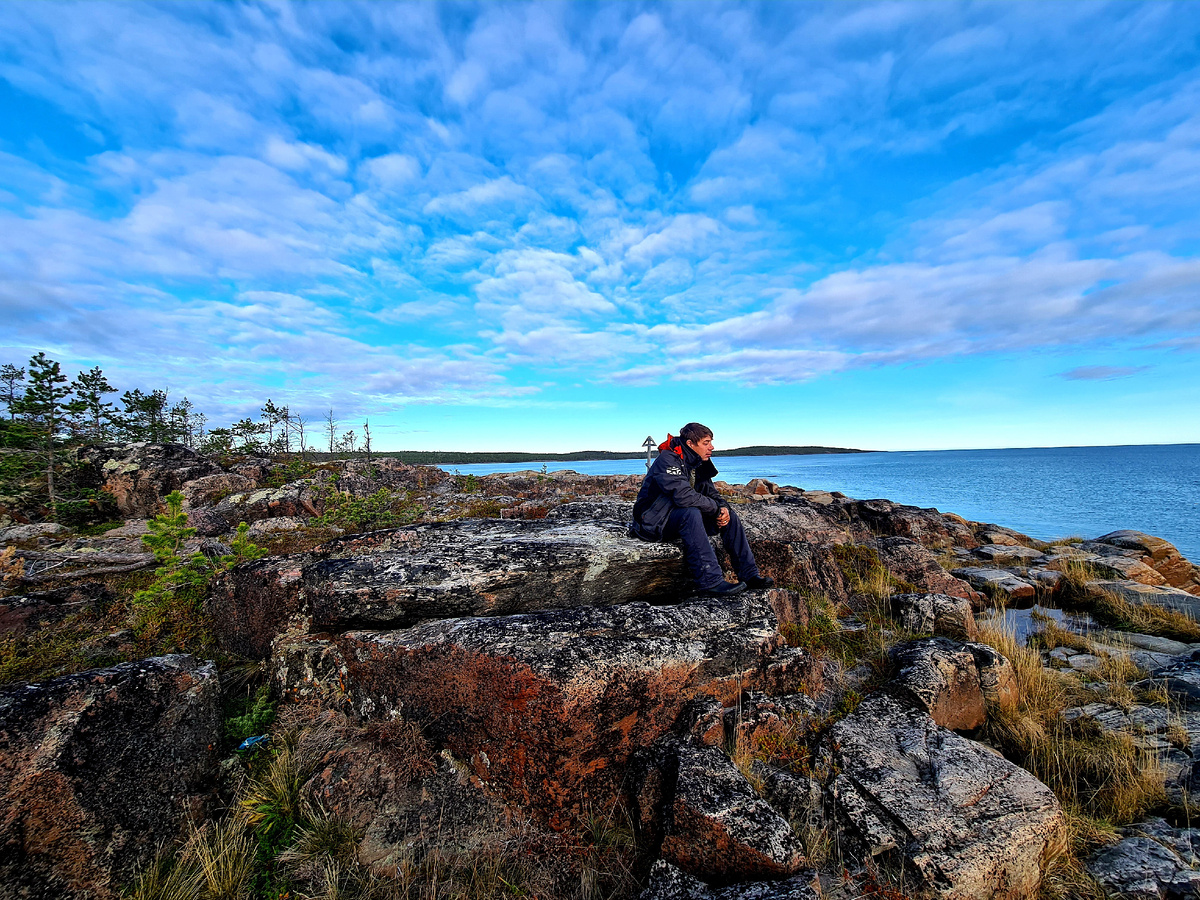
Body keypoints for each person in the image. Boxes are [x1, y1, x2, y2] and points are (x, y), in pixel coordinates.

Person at [631, 422, 775, 596]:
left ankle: (750, 576)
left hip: (676, 519)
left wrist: (722, 508)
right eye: (706, 443)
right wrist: (714, 509)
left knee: (730, 515)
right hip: (652, 522)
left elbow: (711, 494)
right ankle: (710, 582)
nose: (711, 447)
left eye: (711, 442)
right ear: (691, 444)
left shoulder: (697, 462)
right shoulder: (668, 459)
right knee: (690, 513)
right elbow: (682, 495)